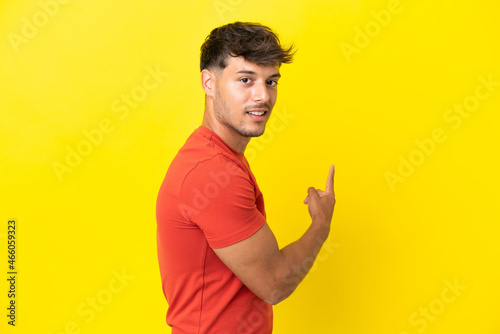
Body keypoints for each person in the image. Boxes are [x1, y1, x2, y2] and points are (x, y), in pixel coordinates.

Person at [156, 21, 336, 334]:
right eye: (245, 80)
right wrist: (320, 225)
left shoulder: (219, 157)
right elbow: (275, 283)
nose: (262, 96)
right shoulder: (213, 172)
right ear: (209, 83)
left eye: (271, 82)